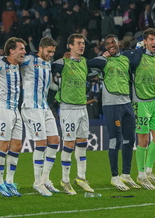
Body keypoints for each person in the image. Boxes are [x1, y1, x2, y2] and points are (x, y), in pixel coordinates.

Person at [87, 34, 139, 191]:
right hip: (111, 104)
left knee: (130, 140)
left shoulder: (125, 59)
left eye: (113, 42)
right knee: (115, 140)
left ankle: (126, 175)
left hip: (126, 103)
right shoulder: (103, 61)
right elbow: (88, 66)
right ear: (105, 47)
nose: (111, 45)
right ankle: (114, 177)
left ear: (119, 44)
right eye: (108, 43)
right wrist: (102, 58)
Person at [52, 33, 94, 195]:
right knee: (69, 144)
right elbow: (46, 72)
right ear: (70, 46)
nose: (82, 46)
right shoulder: (61, 63)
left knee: (82, 144)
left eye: (83, 43)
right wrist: (55, 90)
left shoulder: (84, 62)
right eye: (78, 43)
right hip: (68, 109)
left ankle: (81, 177)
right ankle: (64, 180)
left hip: (82, 108)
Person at [124, 28, 155, 190]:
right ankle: (140, 175)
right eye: (151, 40)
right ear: (145, 41)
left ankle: (148, 171)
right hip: (140, 102)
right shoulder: (137, 56)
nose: (154, 42)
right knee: (143, 140)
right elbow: (123, 54)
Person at [20, 37, 60, 196]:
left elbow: (48, 83)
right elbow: (13, 61)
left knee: (55, 141)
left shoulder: (48, 63)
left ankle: (45, 179)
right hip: (31, 107)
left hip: (44, 107)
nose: (51, 54)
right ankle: (37, 182)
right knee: (41, 143)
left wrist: (60, 88)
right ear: (40, 48)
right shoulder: (28, 60)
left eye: (53, 52)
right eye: (48, 51)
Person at [0, 37, 26, 197]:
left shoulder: (18, 65)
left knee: (17, 146)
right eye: (21, 49)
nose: (24, 52)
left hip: (15, 110)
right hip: (2, 108)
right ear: (11, 50)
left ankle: (9, 181)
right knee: (4, 145)